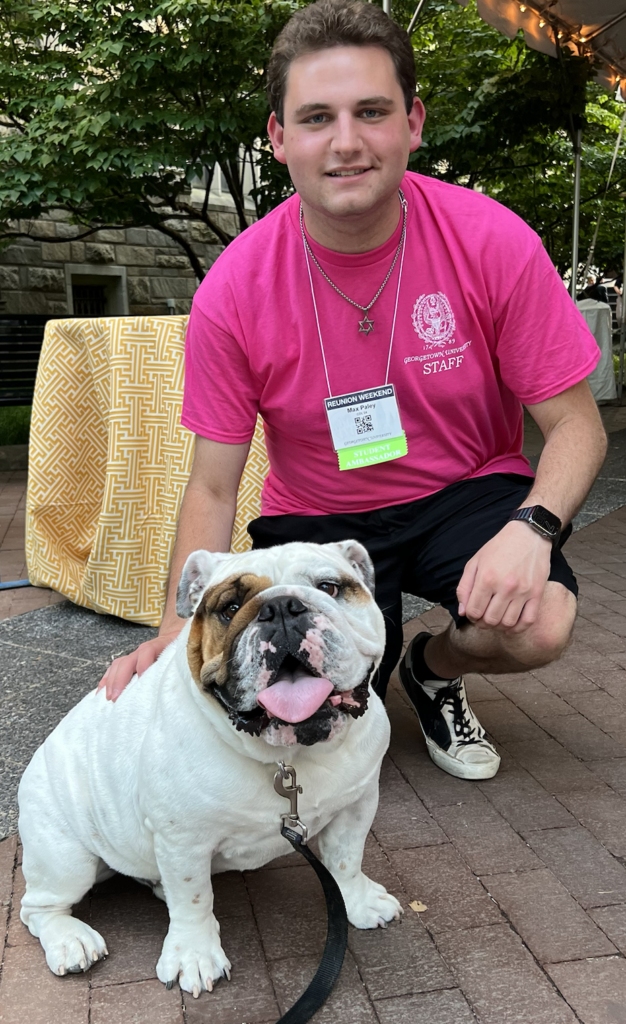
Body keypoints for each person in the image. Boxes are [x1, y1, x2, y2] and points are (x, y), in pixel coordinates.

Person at [99, 0, 606, 781]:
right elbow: (212, 482)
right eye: (316, 118)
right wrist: (178, 627)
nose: (346, 142)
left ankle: (433, 669)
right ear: (278, 138)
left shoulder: (493, 241)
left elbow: (577, 427)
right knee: (282, 695)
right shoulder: (235, 288)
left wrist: (533, 530)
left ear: (413, 122)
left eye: (372, 112)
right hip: (315, 509)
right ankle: (369, 662)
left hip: (462, 489)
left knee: (538, 623)